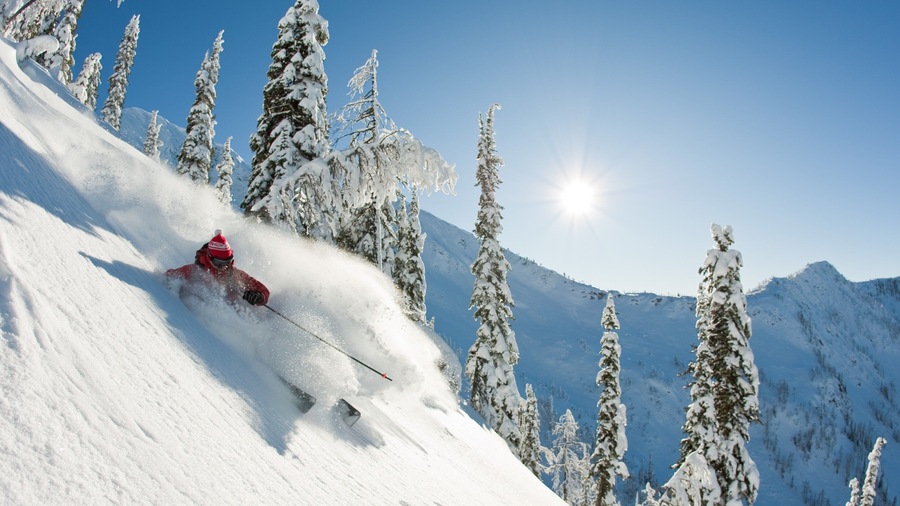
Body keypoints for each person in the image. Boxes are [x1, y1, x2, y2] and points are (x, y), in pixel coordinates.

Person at [166, 230, 269, 307]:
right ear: (209, 258)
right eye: (219, 263)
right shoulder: (194, 272)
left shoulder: (235, 275)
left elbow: (263, 290)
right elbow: (169, 277)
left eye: (227, 262)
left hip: (233, 319)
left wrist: (258, 296)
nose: (224, 267)